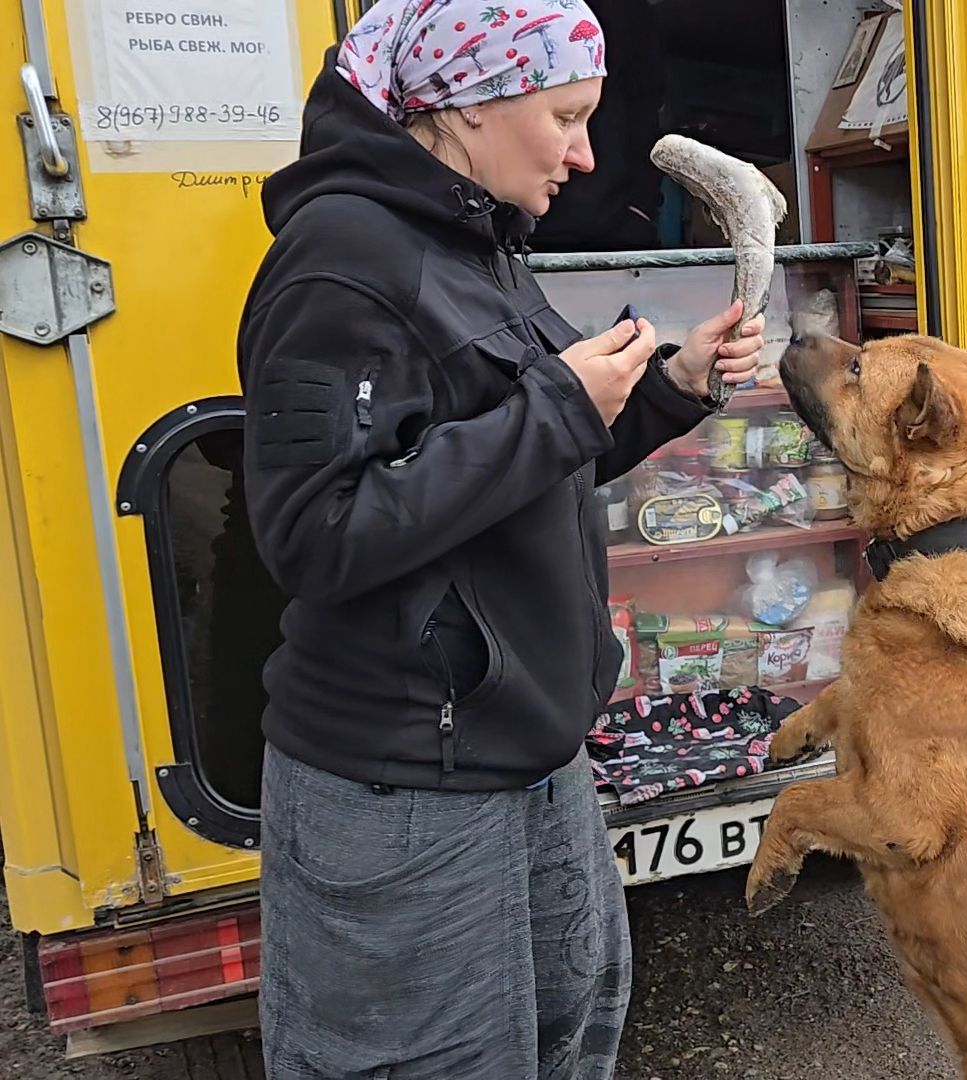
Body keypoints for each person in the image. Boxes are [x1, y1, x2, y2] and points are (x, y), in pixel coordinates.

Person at [235, 1, 762, 1075]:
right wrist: (560, 408)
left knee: (569, 1038)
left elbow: (523, 469)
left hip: (529, 749)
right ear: (466, 105)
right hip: (403, 783)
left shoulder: (478, 240)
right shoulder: (340, 259)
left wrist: (664, 392)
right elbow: (313, 536)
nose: (583, 153)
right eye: (565, 116)